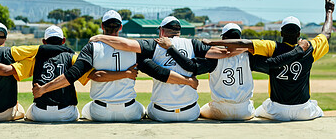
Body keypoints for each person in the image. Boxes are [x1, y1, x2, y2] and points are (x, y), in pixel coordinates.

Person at [32, 11, 203, 121]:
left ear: (102, 27)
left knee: (83, 110)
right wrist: (188, 80)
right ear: (121, 27)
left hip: (100, 111)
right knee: (144, 109)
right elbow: (159, 72)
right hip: (129, 112)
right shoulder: (134, 49)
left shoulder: (92, 46)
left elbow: (71, 75)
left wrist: (43, 89)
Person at [201, 0, 335, 121]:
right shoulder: (309, 48)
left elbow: (244, 43)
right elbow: (326, 33)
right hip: (303, 109)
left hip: (277, 110)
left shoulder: (272, 47)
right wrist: (329, 11)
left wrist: (212, 42)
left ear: (281, 33)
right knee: (318, 111)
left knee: (259, 111)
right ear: (299, 33)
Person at [85, 16, 232, 122]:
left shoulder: (154, 45)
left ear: (161, 31)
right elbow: (222, 53)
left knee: (146, 109)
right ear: (178, 31)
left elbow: (127, 45)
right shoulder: (193, 43)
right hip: (190, 113)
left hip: (161, 114)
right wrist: (246, 47)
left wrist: (100, 37)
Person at [155, 23, 311, 120]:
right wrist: (298, 52)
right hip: (245, 111)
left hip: (220, 110)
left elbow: (191, 66)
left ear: (223, 38)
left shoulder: (214, 57)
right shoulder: (251, 57)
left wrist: (171, 49)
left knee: (200, 110)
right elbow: (273, 65)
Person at [0, 25, 88, 122]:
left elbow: (8, 71)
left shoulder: (34, 59)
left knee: (26, 110)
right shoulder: (72, 57)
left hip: (40, 114)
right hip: (66, 113)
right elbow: (93, 76)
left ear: (44, 42)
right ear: (64, 41)